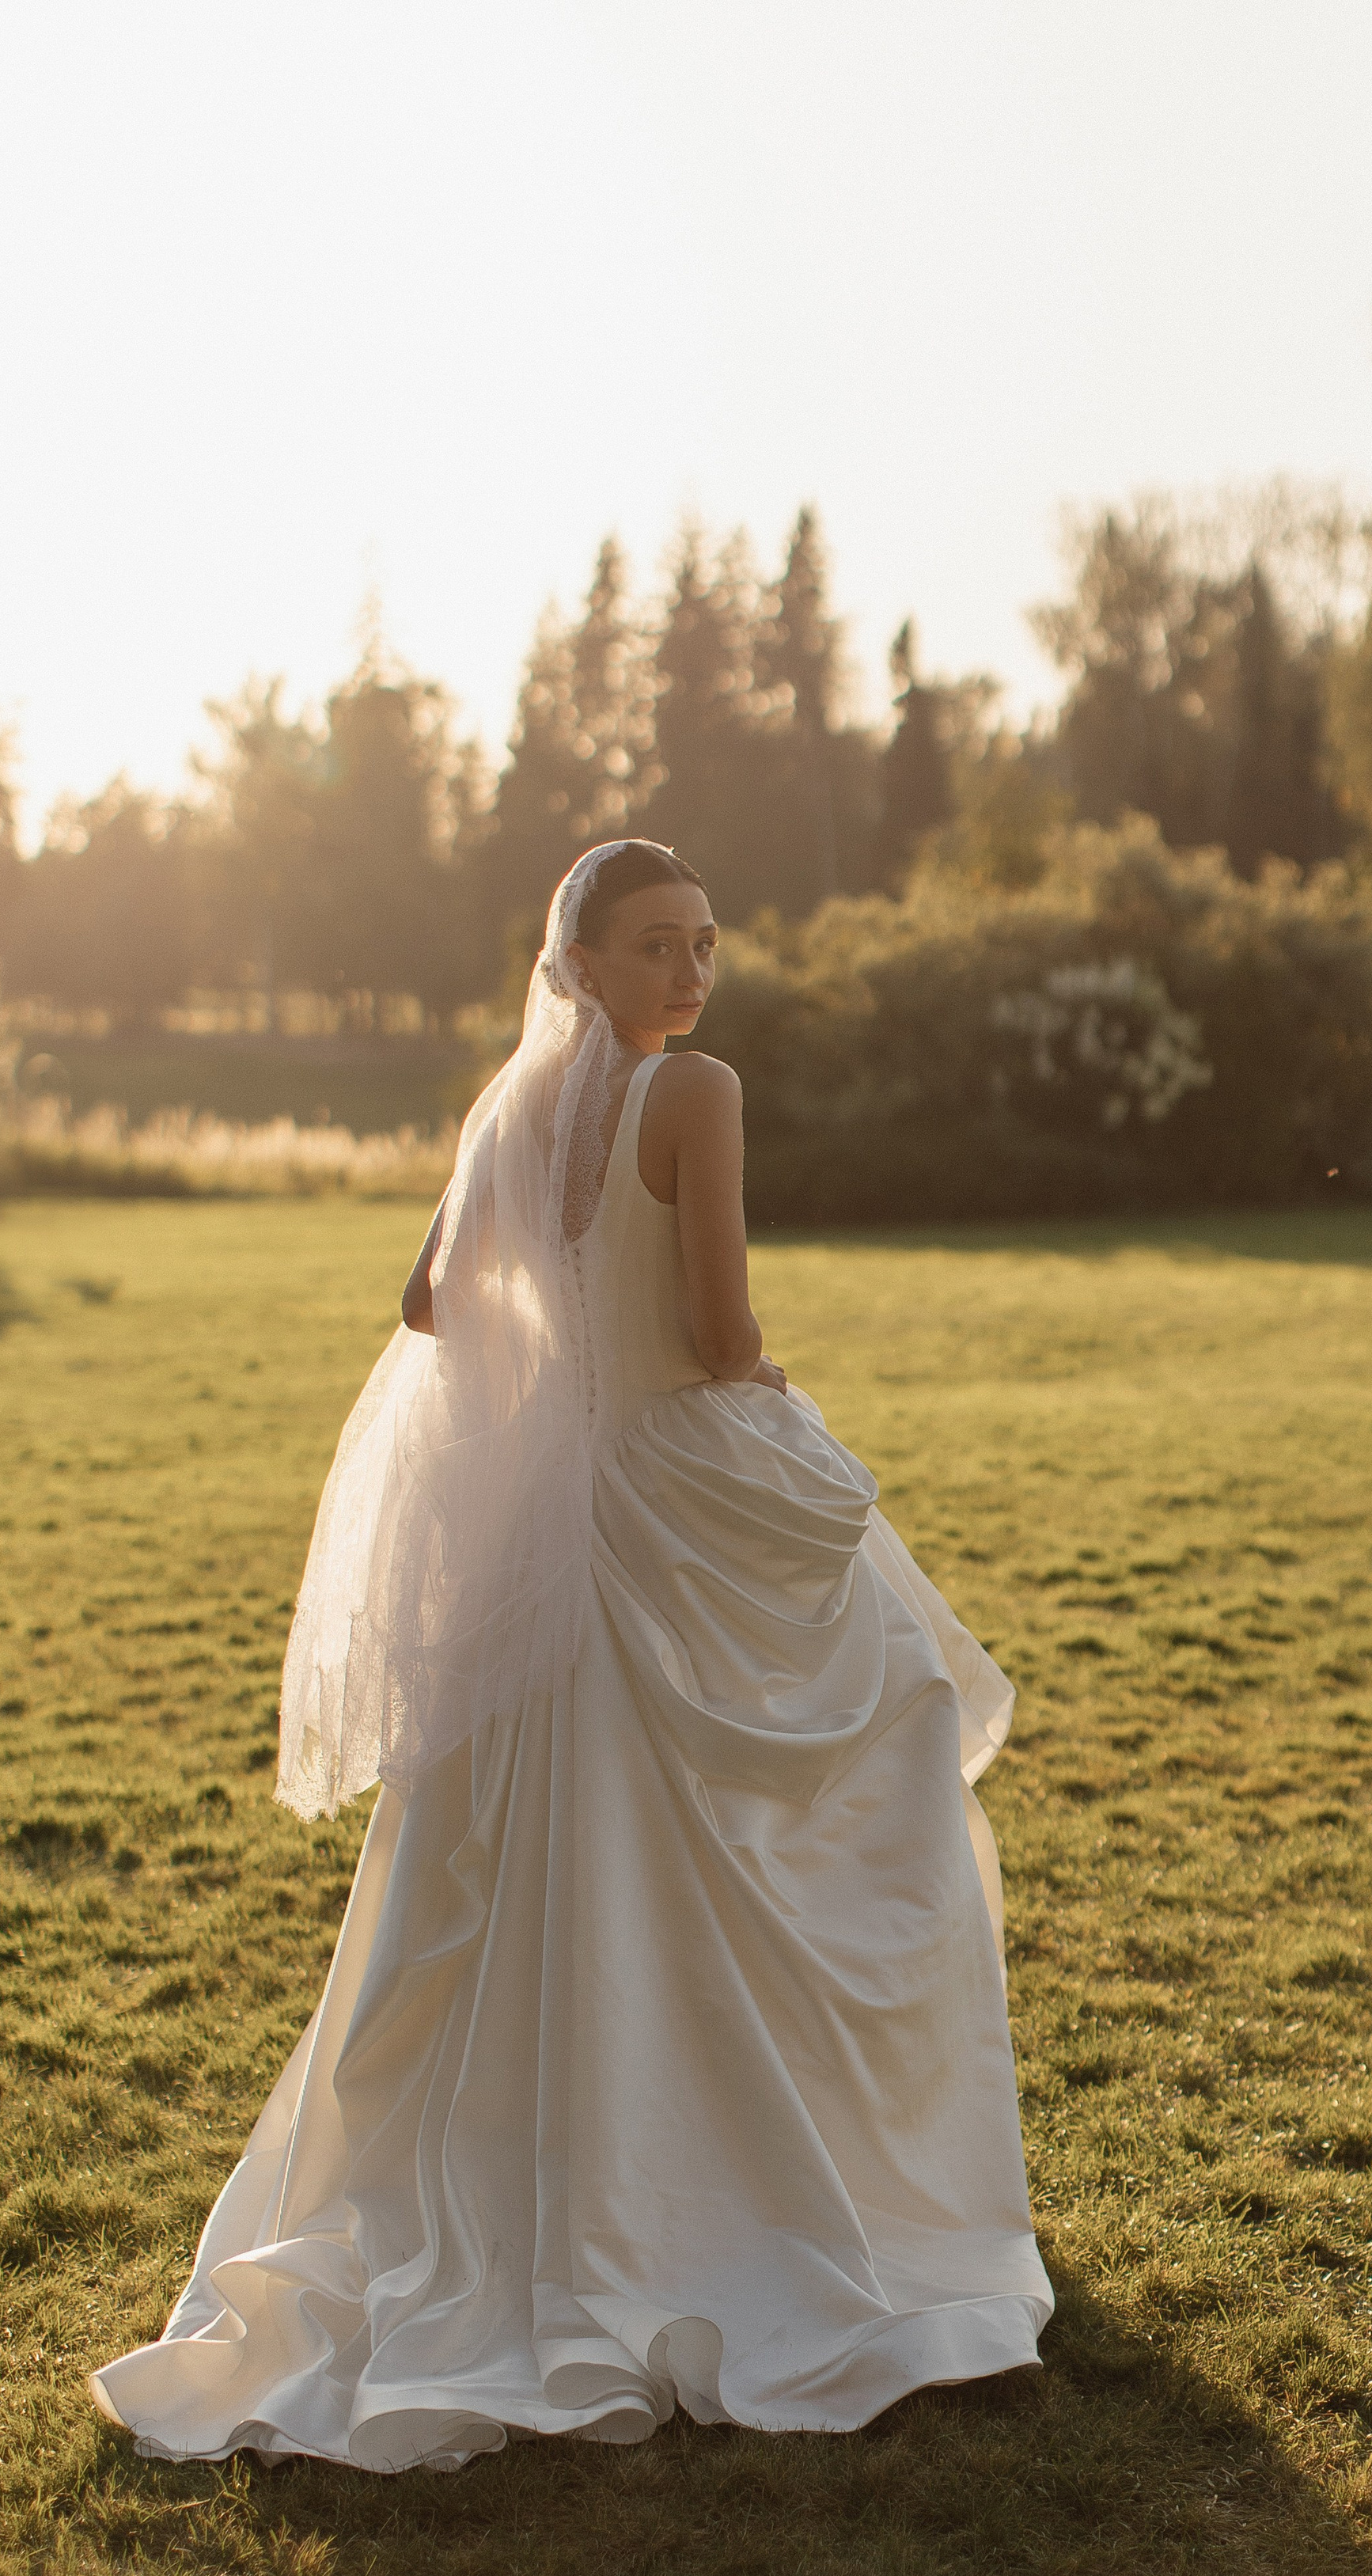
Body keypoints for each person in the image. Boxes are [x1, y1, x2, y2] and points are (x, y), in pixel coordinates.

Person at [90, 840, 1052, 2472]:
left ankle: (545, 2198)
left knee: (514, 1866)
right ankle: (750, 2201)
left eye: (703, 944)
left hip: (544, 1539)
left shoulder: (512, 1107)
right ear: (583, 965)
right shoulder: (696, 1097)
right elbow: (724, 1334)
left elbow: (423, 1303)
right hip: (664, 1503)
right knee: (873, 1729)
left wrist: (541, 1399)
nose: (691, 976)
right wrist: (709, 1380)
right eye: (657, 947)